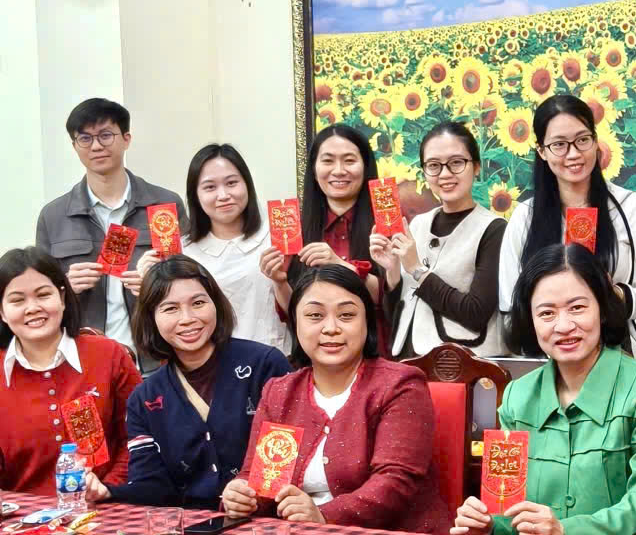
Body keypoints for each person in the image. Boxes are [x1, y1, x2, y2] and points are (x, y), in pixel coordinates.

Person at [452, 244, 636, 535]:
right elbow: (507, 507)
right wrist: (488, 525)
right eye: (546, 313)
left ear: (602, 309)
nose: (563, 326)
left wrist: (566, 533)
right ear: (530, 321)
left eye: (577, 308)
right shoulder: (517, 397)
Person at [220, 265, 445, 532]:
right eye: (315, 316)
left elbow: (394, 482)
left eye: (346, 315)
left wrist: (323, 516)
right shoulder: (279, 392)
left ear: (367, 322)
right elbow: (262, 480)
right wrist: (243, 496)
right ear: (296, 323)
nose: (331, 328)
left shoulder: (400, 385)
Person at [82, 257, 291, 509]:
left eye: (198, 303)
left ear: (216, 304)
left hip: (267, 519)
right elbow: (152, 487)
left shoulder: (265, 365)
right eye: (170, 308)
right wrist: (109, 492)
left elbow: (283, 457)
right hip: (190, 527)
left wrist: (250, 496)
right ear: (151, 318)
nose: (187, 318)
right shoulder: (145, 397)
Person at [498, 95, 636, 346]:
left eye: (582, 140)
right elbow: (509, 310)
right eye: (559, 144)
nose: (573, 154)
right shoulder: (524, 217)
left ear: (595, 141)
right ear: (542, 151)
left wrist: (616, 295)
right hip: (546, 353)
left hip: (612, 350)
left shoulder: (630, 207)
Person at [35, 98, 187, 372]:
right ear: (74, 146)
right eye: (85, 138)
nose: (96, 146)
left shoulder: (165, 205)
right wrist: (63, 288)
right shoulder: (54, 216)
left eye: (106, 135)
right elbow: (37, 295)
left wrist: (157, 284)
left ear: (126, 139)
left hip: (158, 357)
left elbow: (190, 280)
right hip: (84, 362)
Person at [0, 247, 139, 494]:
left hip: (106, 507)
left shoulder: (108, 354)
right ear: (2, 311)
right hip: (20, 513)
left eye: (43, 295)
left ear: (62, 297)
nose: (32, 308)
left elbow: (140, 437)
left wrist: (109, 487)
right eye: (17, 300)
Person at [135, 144, 289, 355]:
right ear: (195, 195)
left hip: (272, 356)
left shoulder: (278, 236)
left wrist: (280, 282)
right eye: (210, 187)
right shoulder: (182, 251)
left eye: (232, 183)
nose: (223, 195)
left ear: (247, 184)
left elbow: (301, 309)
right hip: (210, 362)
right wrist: (149, 283)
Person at [377, 121, 507, 358]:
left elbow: (475, 313)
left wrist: (417, 270)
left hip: (461, 362)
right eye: (434, 166)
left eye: (456, 163)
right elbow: (396, 311)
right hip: (408, 360)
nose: (445, 174)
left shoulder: (494, 229)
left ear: (476, 167)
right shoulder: (417, 224)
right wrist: (392, 271)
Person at [260, 124, 383, 313]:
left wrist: (339, 265)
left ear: (366, 167)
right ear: (314, 170)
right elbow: (294, 313)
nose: (339, 170)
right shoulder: (293, 228)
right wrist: (279, 281)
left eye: (349, 160)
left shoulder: (387, 222)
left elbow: (393, 298)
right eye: (327, 161)